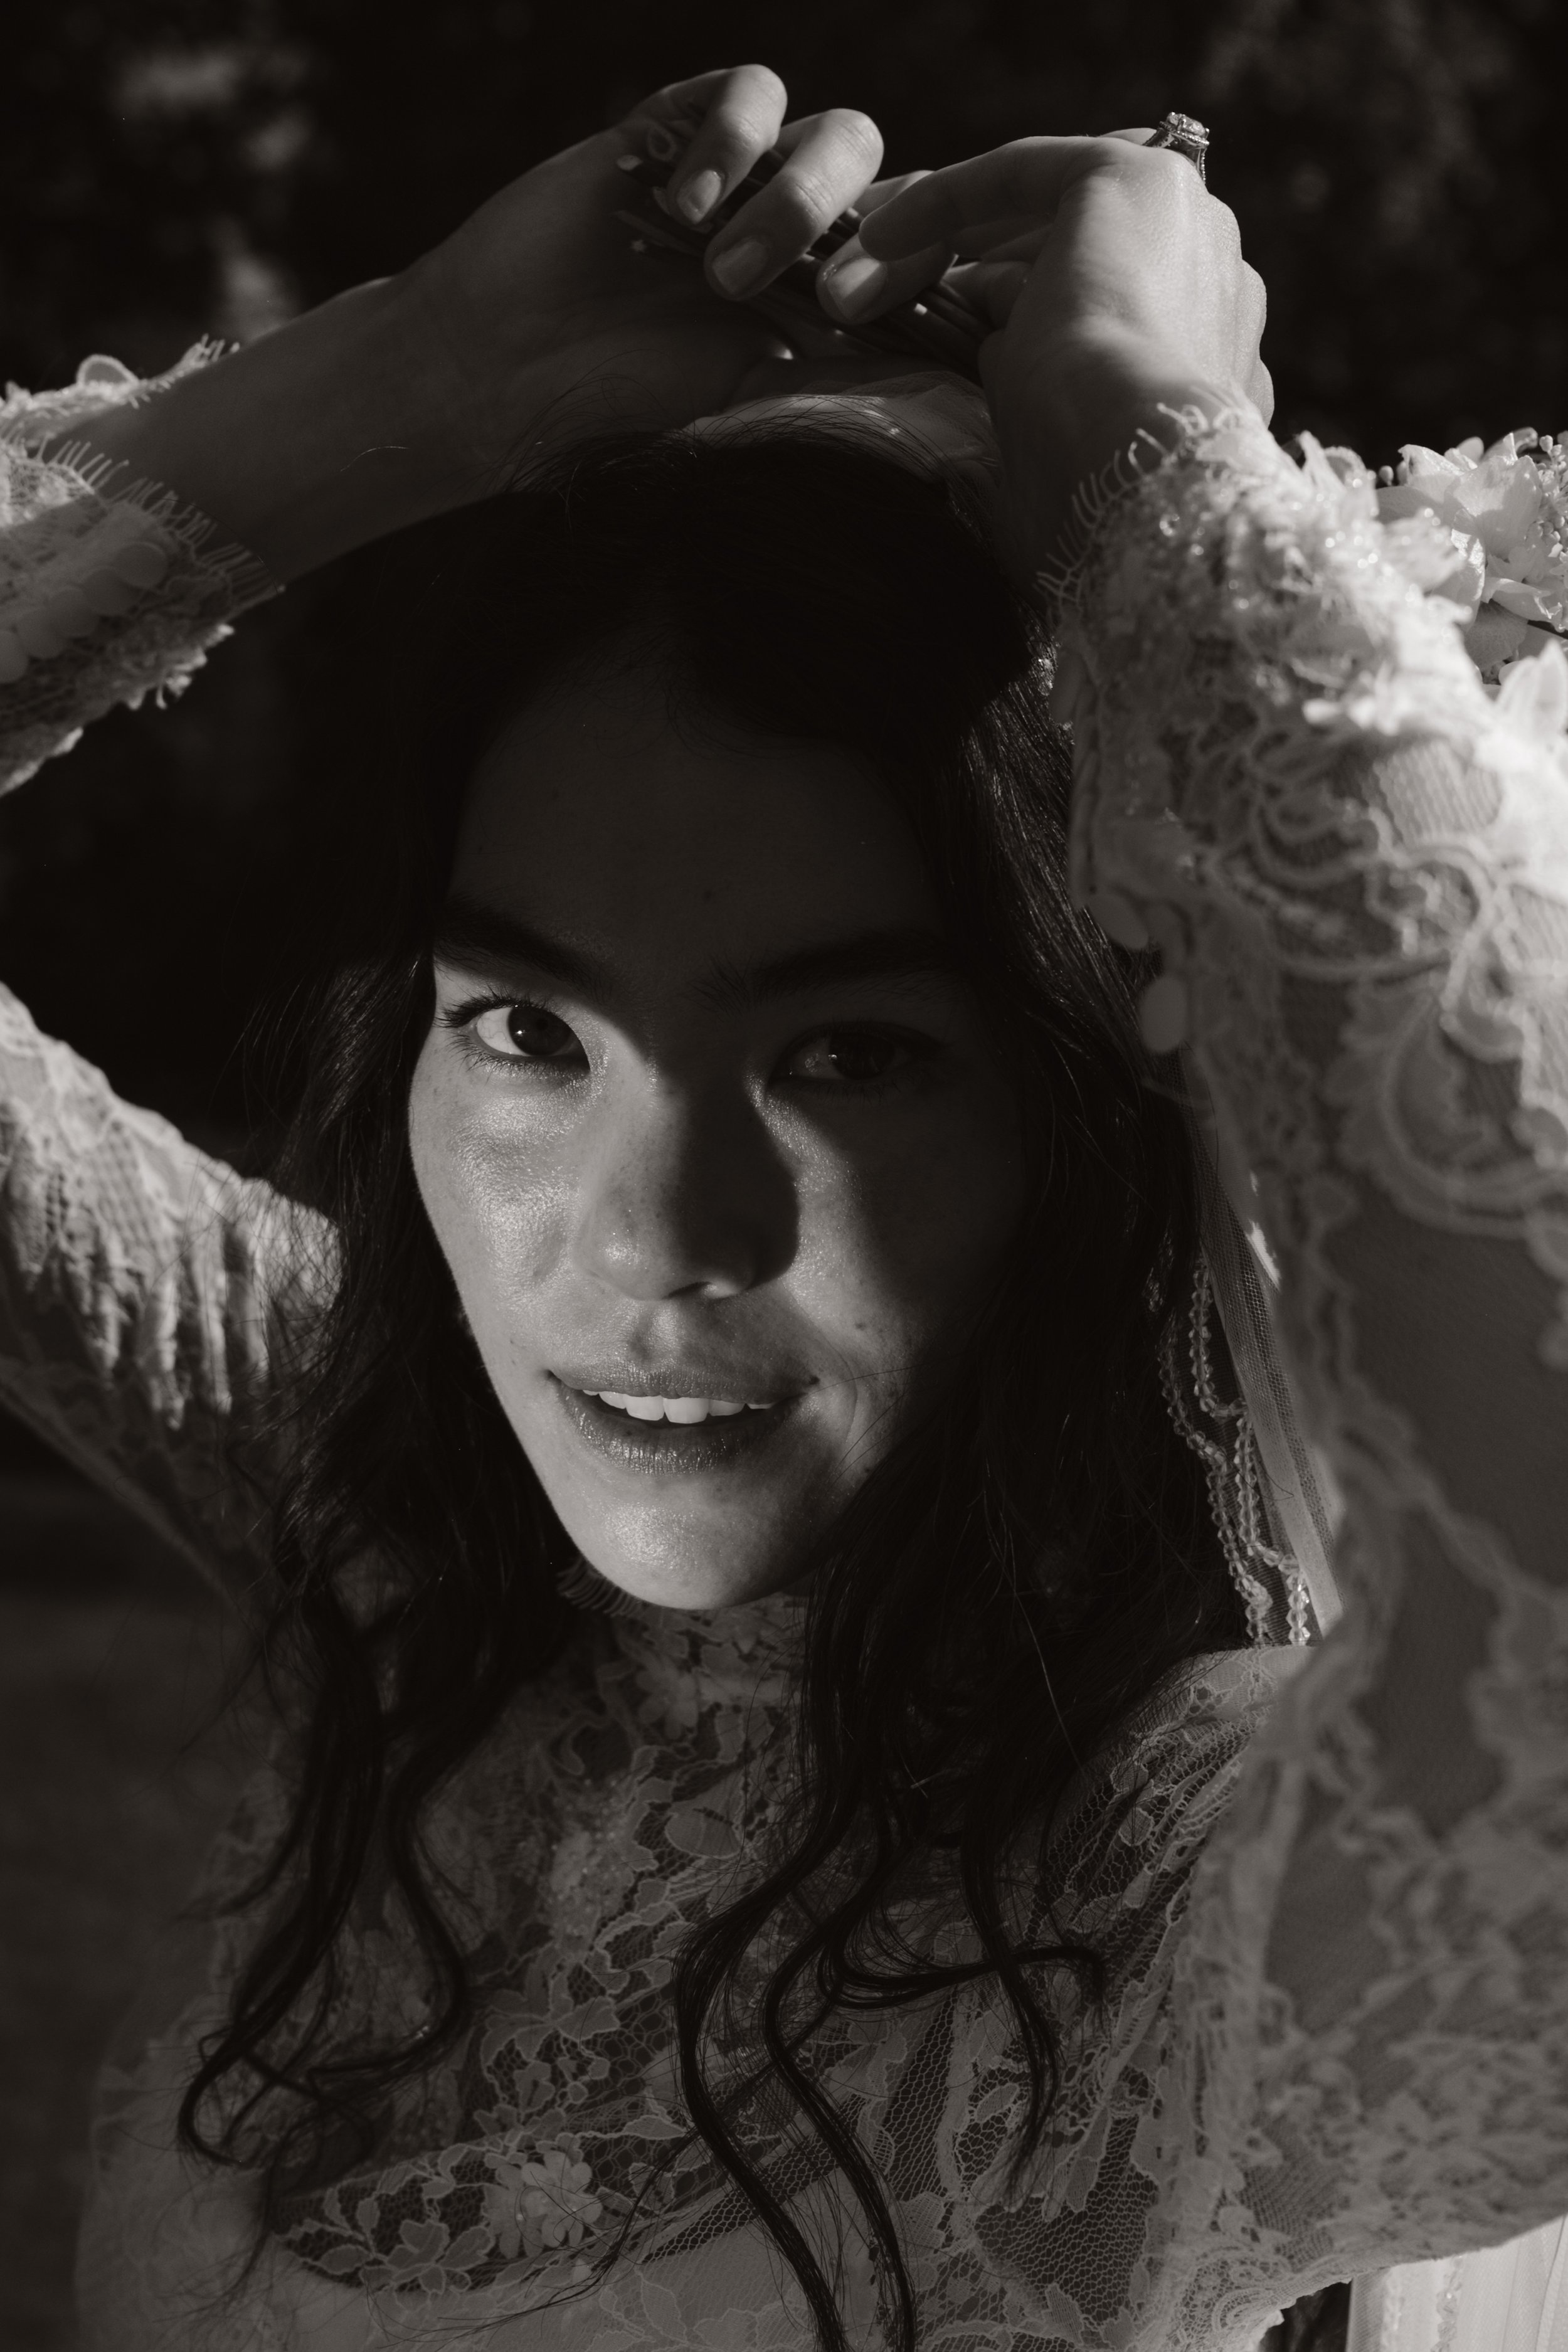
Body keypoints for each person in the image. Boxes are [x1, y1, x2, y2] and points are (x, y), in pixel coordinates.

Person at [1, 57, 1565, 2352]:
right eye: (527, 1030)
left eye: (846, 1055)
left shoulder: (1212, 1899)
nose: (650, 1239)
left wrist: (1153, 464)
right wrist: (418, 383)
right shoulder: (371, 1508)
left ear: (1095, 1103)